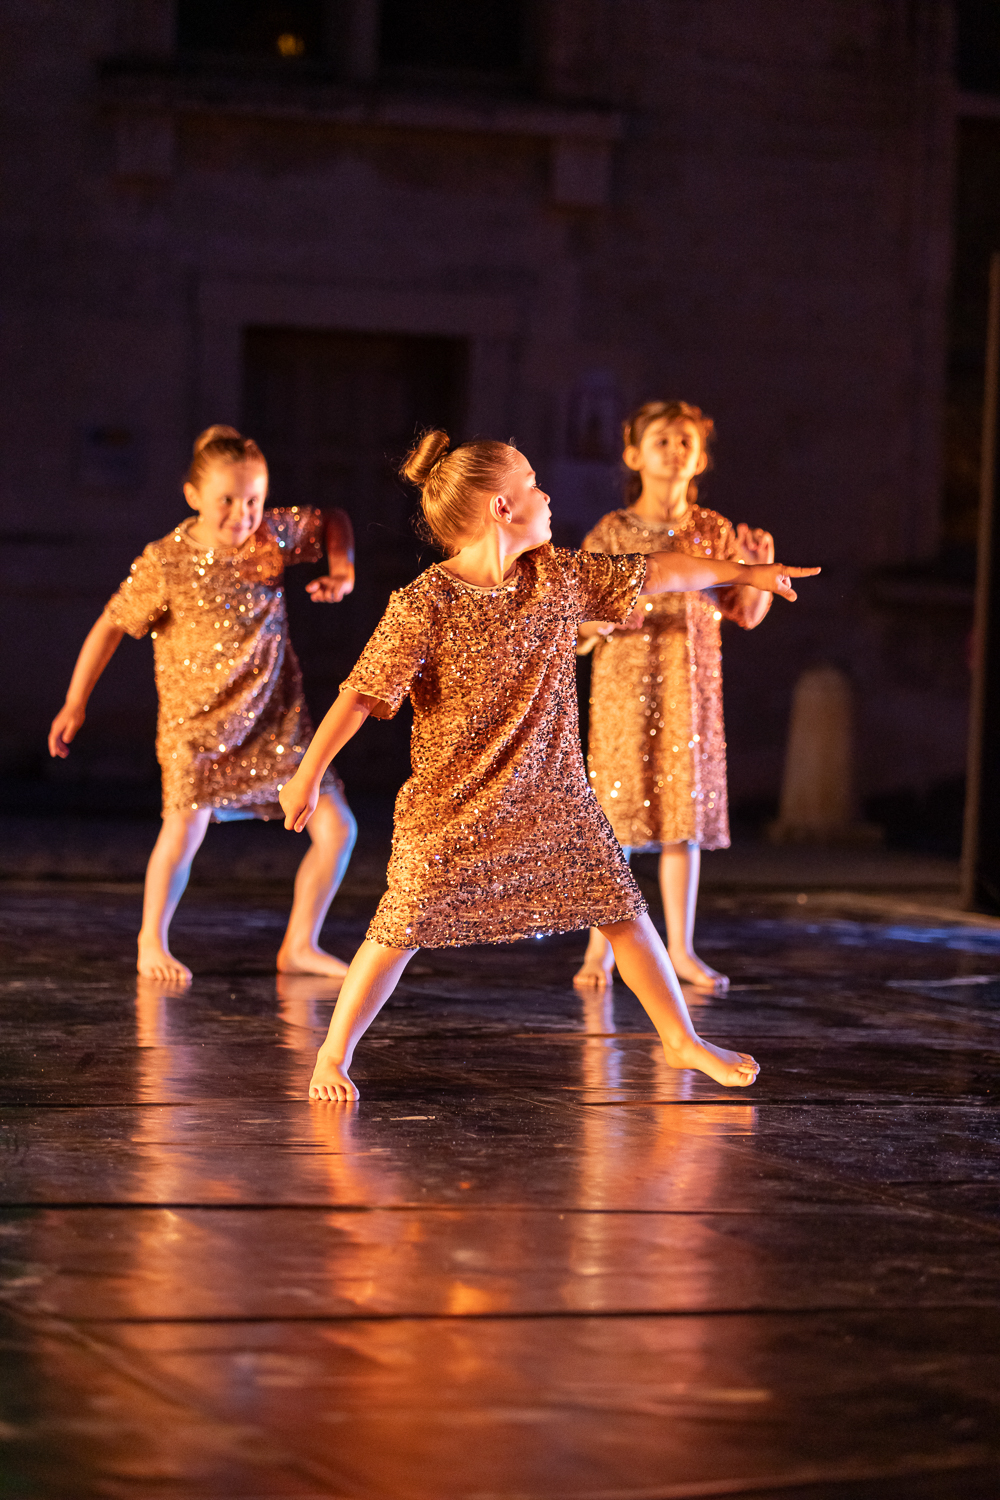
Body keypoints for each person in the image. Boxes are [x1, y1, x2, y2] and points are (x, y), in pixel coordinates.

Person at [278, 429, 819, 1102]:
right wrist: (307, 773)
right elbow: (360, 694)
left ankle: (681, 1039)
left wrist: (745, 573)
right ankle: (333, 1055)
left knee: (622, 909)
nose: (548, 495)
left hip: (552, 794)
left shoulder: (557, 577)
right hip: (454, 804)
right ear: (502, 507)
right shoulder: (424, 603)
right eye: (534, 485)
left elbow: (660, 571)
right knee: (399, 926)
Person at [48, 425, 358, 985]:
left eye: (254, 500)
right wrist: (75, 702)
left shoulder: (269, 537)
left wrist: (343, 570)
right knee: (183, 830)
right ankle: (151, 940)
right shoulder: (166, 561)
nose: (243, 514)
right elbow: (111, 626)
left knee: (339, 830)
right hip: (196, 727)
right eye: (228, 501)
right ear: (193, 495)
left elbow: (332, 519)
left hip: (272, 720)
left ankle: (300, 945)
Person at [575, 400, 775, 994]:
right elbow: (578, 619)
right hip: (624, 690)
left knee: (682, 821)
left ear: (701, 457)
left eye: (685, 440)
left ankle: (681, 950)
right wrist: (610, 615)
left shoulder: (712, 530)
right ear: (634, 454)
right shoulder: (612, 532)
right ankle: (600, 951)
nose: (674, 450)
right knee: (615, 822)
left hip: (689, 690)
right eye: (661, 440)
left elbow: (743, 611)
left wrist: (757, 572)